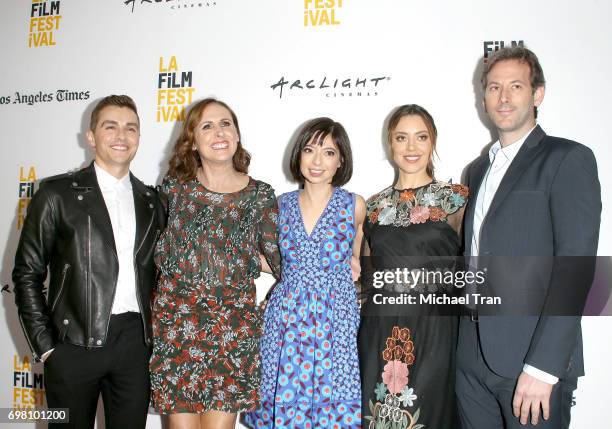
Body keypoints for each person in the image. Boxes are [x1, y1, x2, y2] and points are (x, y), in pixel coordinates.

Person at [457, 46, 601, 428]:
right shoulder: (475, 172)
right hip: (470, 356)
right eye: (493, 88)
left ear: (537, 94)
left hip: (530, 361)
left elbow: (576, 269)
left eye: (515, 86)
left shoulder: (567, 159)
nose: (503, 98)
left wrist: (545, 366)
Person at [12, 95, 166, 428]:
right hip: (73, 343)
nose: (121, 136)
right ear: (91, 137)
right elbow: (27, 274)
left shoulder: (152, 201)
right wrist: (47, 348)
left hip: (134, 344)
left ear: (139, 137)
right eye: (110, 127)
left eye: (130, 128)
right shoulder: (56, 194)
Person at [149, 98, 281, 429]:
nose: (219, 132)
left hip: (232, 332)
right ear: (192, 139)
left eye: (226, 123)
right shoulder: (174, 188)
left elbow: (280, 260)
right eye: (207, 126)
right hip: (178, 329)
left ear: (237, 134)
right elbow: (147, 247)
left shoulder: (260, 195)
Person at [244, 117, 365, 428]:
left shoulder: (355, 206)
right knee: (283, 397)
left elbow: (356, 261)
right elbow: (265, 257)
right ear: (298, 155)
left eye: (328, 152)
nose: (317, 161)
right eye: (310, 150)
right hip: (287, 316)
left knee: (332, 405)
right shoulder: (277, 207)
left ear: (341, 160)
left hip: (335, 317)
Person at [359, 105, 468, 429]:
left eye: (421, 137)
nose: (411, 147)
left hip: (436, 332)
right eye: (401, 138)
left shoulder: (455, 200)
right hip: (377, 334)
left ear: (432, 141)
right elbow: (365, 280)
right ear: (389, 144)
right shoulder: (374, 206)